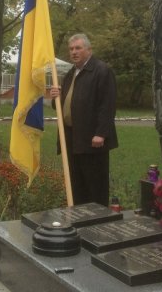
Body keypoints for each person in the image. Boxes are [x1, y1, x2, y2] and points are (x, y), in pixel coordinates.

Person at [50, 33, 118, 206]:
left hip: (92, 140)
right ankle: (79, 219)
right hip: (72, 139)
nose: (74, 52)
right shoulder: (71, 73)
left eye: (78, 48)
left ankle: (97, 223)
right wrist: (55, 97)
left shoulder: (101, 71)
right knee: (76, 185)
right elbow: (65, 103)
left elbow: (107, 105)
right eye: (71, 49)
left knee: (94, 186)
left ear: (89, 50)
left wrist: (101, 133)